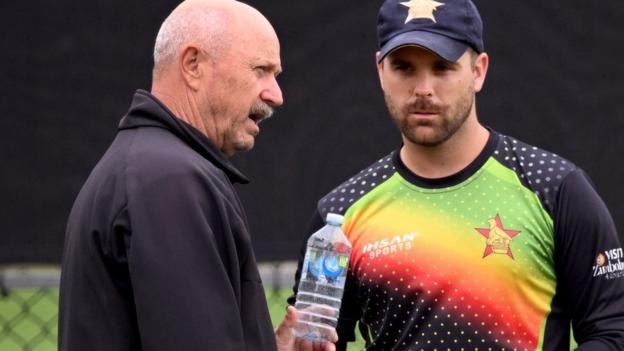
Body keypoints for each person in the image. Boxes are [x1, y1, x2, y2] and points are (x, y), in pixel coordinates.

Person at [289, 0, 624, 350]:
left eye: (442, 67)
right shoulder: (339, 218)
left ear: (478, 71)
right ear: (380, 70)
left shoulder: (555, 188)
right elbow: (312, 339)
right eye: (404, 67)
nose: (423, 89)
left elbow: (613, 331)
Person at [58, 1, 325, 350]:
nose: (276, 95)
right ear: (193, 65)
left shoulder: (150, 166)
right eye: (261, 70)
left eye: (276, 75)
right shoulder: (171, 181)